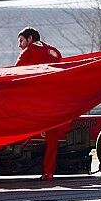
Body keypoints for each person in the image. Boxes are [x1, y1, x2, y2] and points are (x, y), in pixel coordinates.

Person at [14, 27, 64, 180]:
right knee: (52, 139)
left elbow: (15, 74)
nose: (19, 45)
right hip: (56, 102)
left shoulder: (28, 52)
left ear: (29, 39)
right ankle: (48, 172)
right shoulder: (54, 51)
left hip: (35, 103)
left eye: (21, 40)